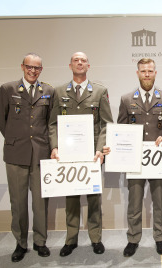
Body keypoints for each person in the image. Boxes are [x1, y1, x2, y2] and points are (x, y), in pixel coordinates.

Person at [48, 52, 113, 257]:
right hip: (67, 154)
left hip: (92, 154)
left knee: (94, 197)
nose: (79, 63)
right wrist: (55, 147)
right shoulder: (59, 91)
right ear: (70, 65)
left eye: (83, 60)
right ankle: (71, 239)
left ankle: (96, 238)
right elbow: (52, 124)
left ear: (88, 66)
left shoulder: (100, 91)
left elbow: (106, 123)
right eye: (76, 60)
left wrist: (100, 149)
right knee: (72, 197)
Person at [0, 53, 54, 262]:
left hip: (40, 154)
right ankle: (20, 243)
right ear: (22, 67)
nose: (33, 71)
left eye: (37, 68)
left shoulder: (48, 91)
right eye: (29, 67)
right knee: (18, 203)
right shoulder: (8, 89)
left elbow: (50, 123)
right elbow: (0, 119)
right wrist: (16, 139)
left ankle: (40, 241)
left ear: (41, 70)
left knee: (40, 203)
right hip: (15, 154)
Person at [117, 58, 162, 257]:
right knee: (134, 203)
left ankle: (160, 238)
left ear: (155, 73)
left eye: (150, 71)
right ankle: (133, 239)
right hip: (135, 160)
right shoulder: (127, 99)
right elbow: (121, 129)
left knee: (159, 202)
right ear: (137, 73)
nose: (146, 74)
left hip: (158, 159)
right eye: (143, 71)